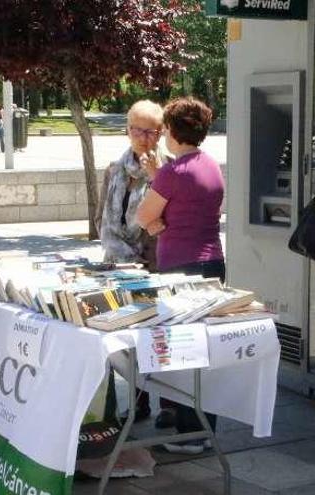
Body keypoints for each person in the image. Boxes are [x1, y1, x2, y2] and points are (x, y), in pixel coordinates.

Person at [137, 97, 224, 455]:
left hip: (180, 268)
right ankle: (202, 426)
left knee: (184, 351)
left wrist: (161, 227)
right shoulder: (210, 166)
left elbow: (145, 216)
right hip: (212, 264)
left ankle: (189, 434)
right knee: (204, 349)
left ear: (173, 131)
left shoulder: (174, 172)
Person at [94, 100, 168, 423]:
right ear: (127, 131)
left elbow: (165, 219)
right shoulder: (114, 169)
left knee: (154, 338)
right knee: (122, 341)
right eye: (136, 130)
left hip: (150, 266)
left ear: (161, 133)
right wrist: (116, 253)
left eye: (149, 131)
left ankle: (167, 404)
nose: (142, 138)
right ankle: (137, 402)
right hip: (115, 265)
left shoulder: (166, 171)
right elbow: (102, 217)